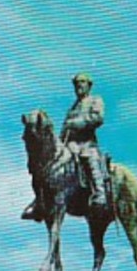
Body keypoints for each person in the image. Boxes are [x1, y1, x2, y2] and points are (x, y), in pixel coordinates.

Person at [22, 72, 108, 220]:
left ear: (89, 85)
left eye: (82, 82)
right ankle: (40, 201)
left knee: (90, 159)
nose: (79, 85)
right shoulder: (72, 108)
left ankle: (100, 194)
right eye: (76, 83)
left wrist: (78, 123)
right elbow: (64, 130)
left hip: (86, 143)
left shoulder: (95, 100)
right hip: (70, 145)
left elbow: (98, 118)